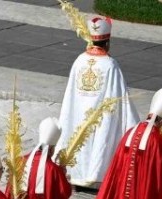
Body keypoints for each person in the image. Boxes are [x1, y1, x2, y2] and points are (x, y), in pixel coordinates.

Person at [57, 15, 139, 189]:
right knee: (100, 139)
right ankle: (94, 175)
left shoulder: (79, 61)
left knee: (77, 136)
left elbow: (71, 95)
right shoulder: (110, 65)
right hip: (100, 117)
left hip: (78, 112)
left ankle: (75, 175)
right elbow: (120, 96)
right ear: (107, 42)